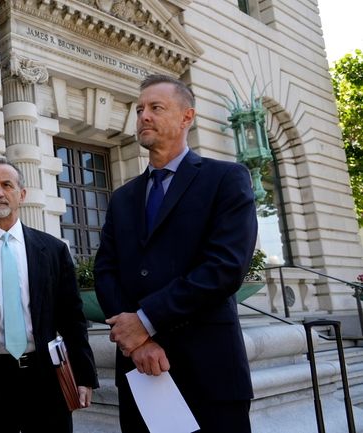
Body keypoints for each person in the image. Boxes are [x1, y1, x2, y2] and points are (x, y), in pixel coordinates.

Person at [94, 74, 257, 432]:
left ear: (187, 116)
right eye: (139, 110)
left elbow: (225, 267)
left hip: (210, 372)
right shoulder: (122, 198)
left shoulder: (226, 179)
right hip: (140, 373)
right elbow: (105, 271)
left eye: (156, 107)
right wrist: (137, 341)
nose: (143, 117)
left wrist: (146, 321)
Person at [0, 157, 99, 433]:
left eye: (7, 184)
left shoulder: (53, 250)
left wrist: (84, 376)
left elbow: (72, 318)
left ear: (22, 194)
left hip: (46, 380)